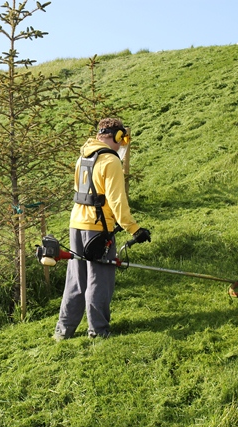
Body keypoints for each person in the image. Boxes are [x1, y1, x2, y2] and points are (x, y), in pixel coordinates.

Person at [54, 118, 151, 340]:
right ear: (117, 136)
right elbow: (117, 201)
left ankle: (63, 330)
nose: (123, 145)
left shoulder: (84, 156)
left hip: (76, 224)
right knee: (99, 281)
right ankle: (98, 332)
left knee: (76, 279)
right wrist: (134, 229)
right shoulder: (110, 161)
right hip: (98, 229)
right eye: (123, 139)